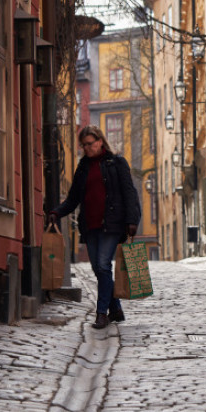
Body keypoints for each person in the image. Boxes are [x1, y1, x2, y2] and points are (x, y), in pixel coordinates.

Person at [48, 126, 141, 329]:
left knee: (102, 265)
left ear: (100, 141)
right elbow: (73, 199)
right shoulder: (83, 167)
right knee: (99, 269)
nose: (86, 148)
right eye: (83, 145)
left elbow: (129, 193)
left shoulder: (117, 163)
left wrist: (132, 221)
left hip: (112, 224)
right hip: (90, 226)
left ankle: (102, 314)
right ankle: (115, 308)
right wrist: (57, 212)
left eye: (90, 144)